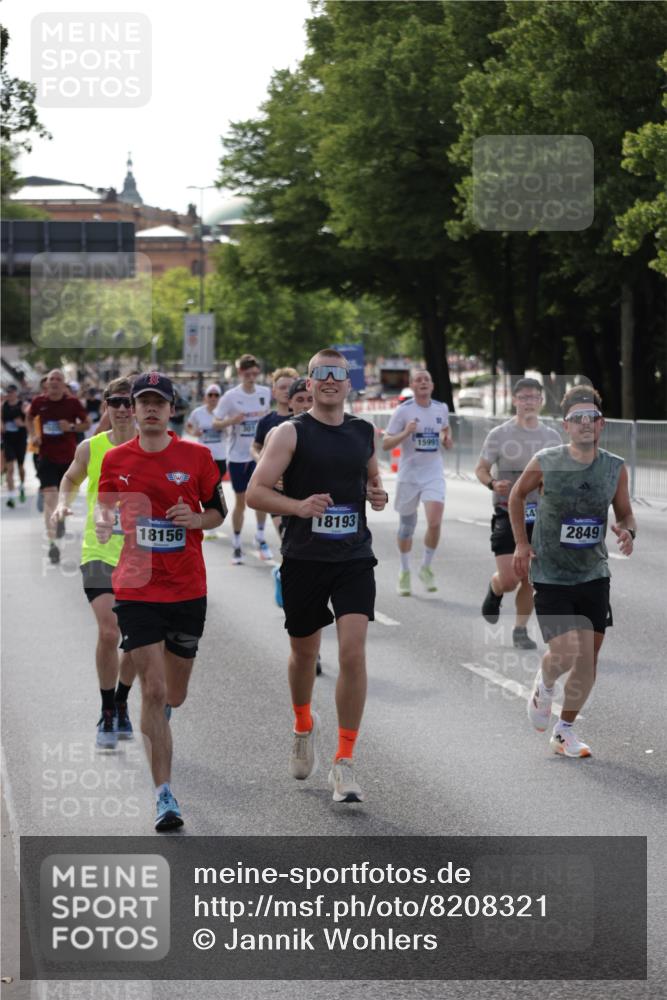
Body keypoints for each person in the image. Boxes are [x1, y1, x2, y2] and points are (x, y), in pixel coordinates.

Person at [247, 348, 388, 803]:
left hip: (353, 556)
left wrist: (376, 493)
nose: (330, 380)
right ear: (309, 383)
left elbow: (370, 479)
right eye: (320, 374)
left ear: (350, 384)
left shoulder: (364, 432)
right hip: (305, 557)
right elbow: (255, 493)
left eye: (338, 374)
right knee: (304, 654)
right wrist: (298, 508)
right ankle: (303, 723)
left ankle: (344, 762)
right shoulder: (290, 433)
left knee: (352, 652)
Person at [96, 372, 226, 830]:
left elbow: (217, 512)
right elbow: (105, 505)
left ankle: (160, 716)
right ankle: (164, 796)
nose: (150, 409)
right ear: (132, 408)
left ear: (172, 409)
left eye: (159, 402)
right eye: (142, 401)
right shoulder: (115, 459)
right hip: (135, 586)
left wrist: (195, 518)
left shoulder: (197, 456)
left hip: (187, 588)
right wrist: (103, 523)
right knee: (151, 689)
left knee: (174, 694)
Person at [509, 385, 635, 758]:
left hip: (593, 571)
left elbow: (625, 511)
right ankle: (545, 684)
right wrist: (521, 543)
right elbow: (516, 496)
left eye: (591, 418)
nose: (585, 424)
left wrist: (628, 530)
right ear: (566, 425)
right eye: (577, 419)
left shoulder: (614, 467)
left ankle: (564, 729)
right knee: (564, 654)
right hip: (550, 572)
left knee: (589, 658)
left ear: (601, 424)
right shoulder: (547, 461)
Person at [52, 378, 138, 749]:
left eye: (128, 402)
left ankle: (122, 700)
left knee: (136, 640)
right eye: (115, 401)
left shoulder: (152, 447)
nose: (122, 408)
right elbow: (70, 478)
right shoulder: (92, 447)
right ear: (106, 405)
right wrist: (61, 502)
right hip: (99, 550)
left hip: (141, 555)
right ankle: (106, 709)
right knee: (108, 631)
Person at [475, 378, 562, 650]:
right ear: (515, 401)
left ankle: (520, 630)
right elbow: (481, 468)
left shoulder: (551, 437)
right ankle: (496, 587)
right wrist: (492, 483)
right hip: (506, 511)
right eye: (523, 397)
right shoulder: (500, 434)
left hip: (540, 515)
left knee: (530, 577)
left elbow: (561, 472)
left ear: (540, 401)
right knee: (511, 579)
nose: (528, 402)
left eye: (534, 397)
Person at [382, 368, 452, 595]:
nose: (423, 383)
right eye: (418, 380)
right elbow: (386, 444)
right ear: (412, 386)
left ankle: (426, 567)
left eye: (427, 380)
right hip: (409, 475)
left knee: (434, 521)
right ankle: (404, 570)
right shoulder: (403, 411)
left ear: (432, 385)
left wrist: (447, 439)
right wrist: (406, 432)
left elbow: (445, 431)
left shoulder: (441, 408)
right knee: (406, 528)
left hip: (433, 472)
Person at [213, 354, 272, 564]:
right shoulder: (230, 396)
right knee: (240, 502)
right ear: (240, 373)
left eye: (255, 373)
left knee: (262, 499)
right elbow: (216, 423)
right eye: (247, 373)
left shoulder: (265, 392)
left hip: (261, 455)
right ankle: (237, 543)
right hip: (238, 457)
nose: (251, 377)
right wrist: (232, 420)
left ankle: (261, 536)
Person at [28, 369, 90, 564]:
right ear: (46, 384)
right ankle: (53, 544)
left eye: (58, 379)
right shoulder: (39, 402)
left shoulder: (72, 403)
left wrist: (71, 427)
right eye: (51, 379)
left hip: (69, 459)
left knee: (65, 499)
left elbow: (87, 424)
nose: (54, 382)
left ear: (64, 385)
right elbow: (29, 417)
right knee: (50, 500)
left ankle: (62, 516)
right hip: (46, 457)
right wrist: (33, 435)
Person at [186, 383, 227, 480]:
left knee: (216, 484)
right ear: (205, 397)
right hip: (204, 456)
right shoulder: (197, 412)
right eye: (210, 395)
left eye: (216, 395)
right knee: (205, 484)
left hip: (220, 456)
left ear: (220, 398)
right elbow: (188, 426)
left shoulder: (225, 413)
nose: (213, 397)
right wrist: (193, 433)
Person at [2, 384, 28, 506]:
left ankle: (22, 486)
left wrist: (22, 423)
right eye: (7, 392)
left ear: (16, 393)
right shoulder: (3, 406)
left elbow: (30, 422)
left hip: (20, 439)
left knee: (20, 467)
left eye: (11, 392)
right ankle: (11, 496)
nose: (9, 394)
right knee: (10, 468)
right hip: (8, 440)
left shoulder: (22, 405)